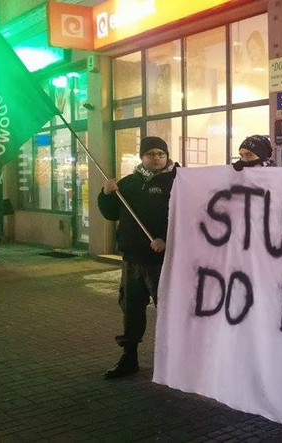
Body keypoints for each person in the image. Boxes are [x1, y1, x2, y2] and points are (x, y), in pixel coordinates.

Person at [98, 136, 177, 379]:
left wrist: (165, 238)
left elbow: (186, 216)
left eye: (161, 154)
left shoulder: (177, 182)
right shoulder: (129, 183)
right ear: (142, 156)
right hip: (132, 258)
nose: (156, 158)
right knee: (131, 309)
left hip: (162, 260)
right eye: (151, 154)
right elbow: (111, 213)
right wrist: (106, 194)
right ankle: (129, 356)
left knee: (169, 310)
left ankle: (174, 359)